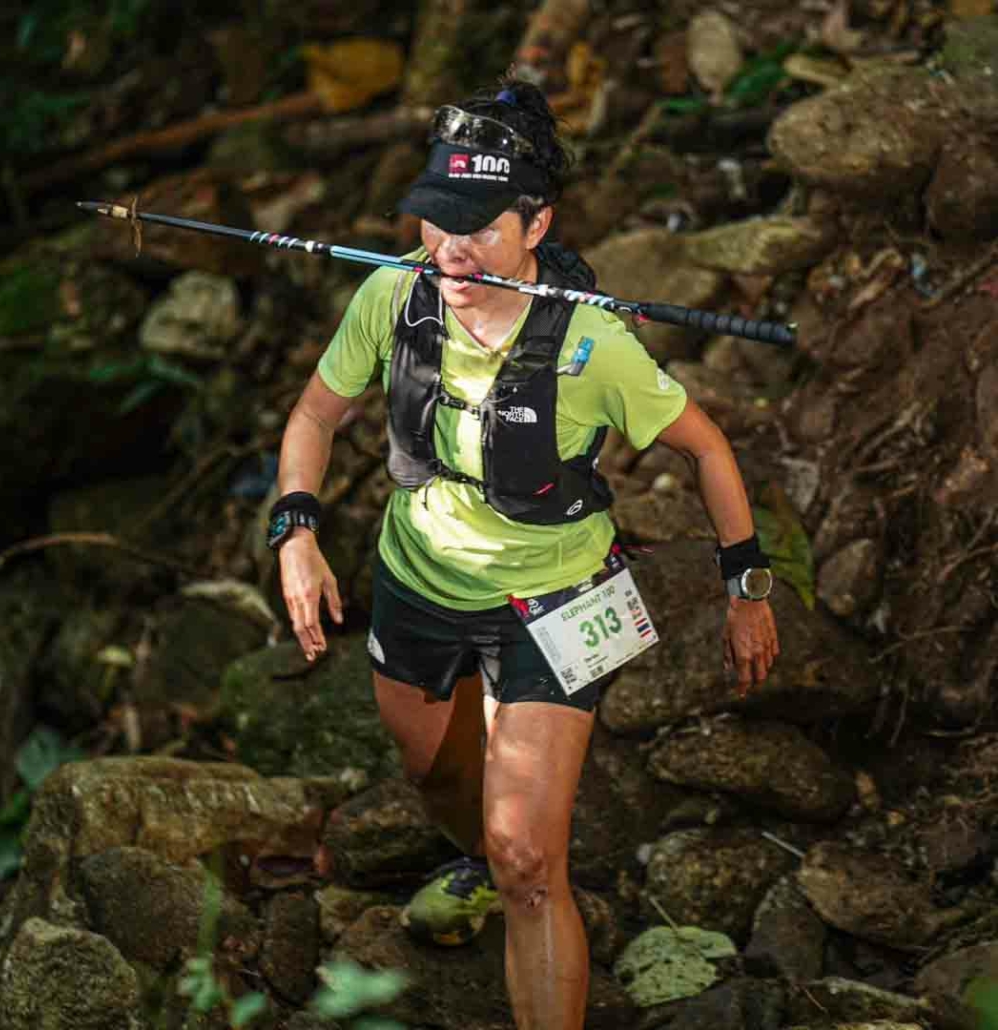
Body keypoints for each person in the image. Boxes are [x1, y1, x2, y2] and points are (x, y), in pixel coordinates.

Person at [270, 78, 780, 1030]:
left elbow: (708, 448)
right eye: (434, 222)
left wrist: (746, 587)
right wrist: (296, 531)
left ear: (536, 222)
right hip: (417, 584)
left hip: (551, 605)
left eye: (478, 226)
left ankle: (509, 878)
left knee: (529, 864)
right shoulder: (393, 298)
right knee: (438, 780)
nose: (451, 250)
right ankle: (477, 857)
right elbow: (313, 415)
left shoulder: (595, 346)